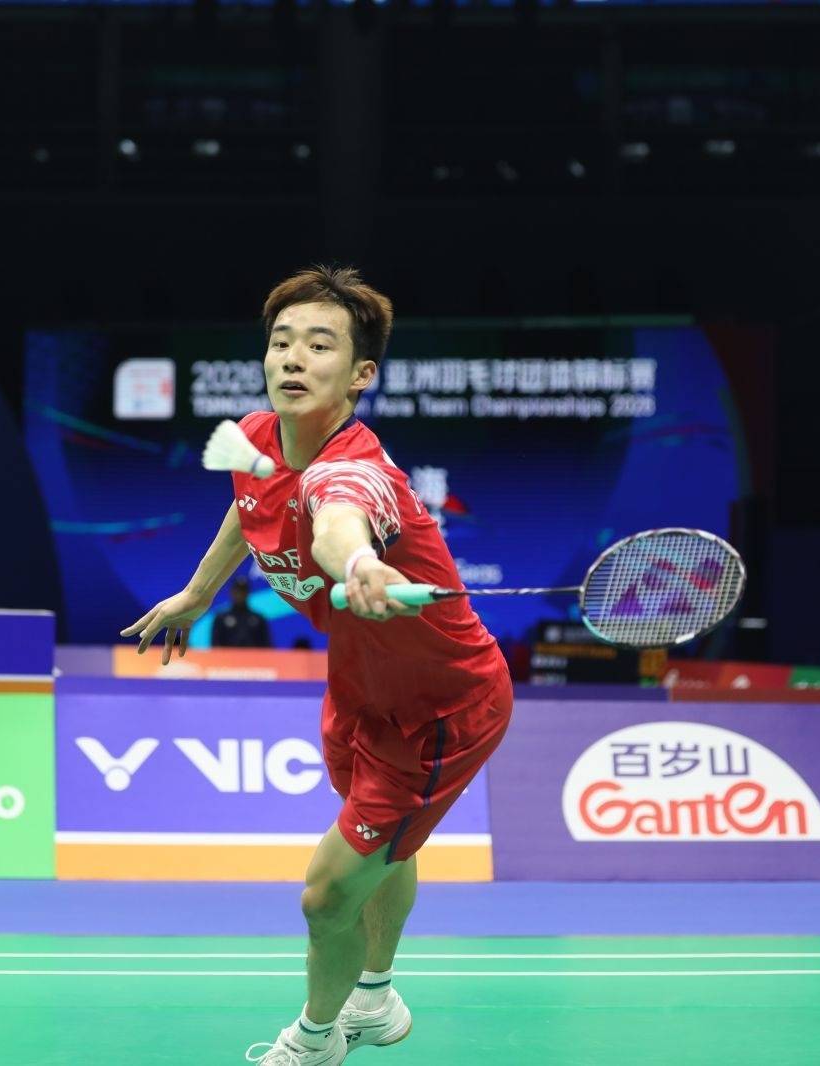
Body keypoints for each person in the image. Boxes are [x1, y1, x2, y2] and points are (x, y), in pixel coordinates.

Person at [122, 266, 513, 1065]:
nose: (294, 358)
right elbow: (250, 507)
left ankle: (314, 1039)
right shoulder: (258, 438)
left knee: (327, 895)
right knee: (387, 851)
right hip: (360, 686)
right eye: (282, 342)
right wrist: (198, 594)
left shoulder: (352, 470)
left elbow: (338, 520)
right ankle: (376, 999)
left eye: (320, 345)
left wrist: (360, 563)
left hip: (441, 709)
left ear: (361, 374)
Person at [211, 575, 274, 648]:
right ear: (232, 592)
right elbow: (215, 645)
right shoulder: (221, 618)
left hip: (252, 655)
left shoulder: (258, 618)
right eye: (237, 591)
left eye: (243, 591)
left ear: (248, 593)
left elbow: (266, 645)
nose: (240, 594)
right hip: (228, 655)